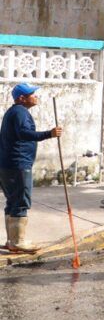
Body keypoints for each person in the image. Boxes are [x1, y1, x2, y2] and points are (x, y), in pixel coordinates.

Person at [0, 84, 62, 253]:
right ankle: (18, 241)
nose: (36, 97)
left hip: (8, 165)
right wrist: (49, 134)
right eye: (32, 94)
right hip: (18, 165)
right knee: (21, 201)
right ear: (21, 98)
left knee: (12, 201)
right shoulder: (20, 112)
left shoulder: (12, 113)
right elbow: (23, 133)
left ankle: (12, 241)